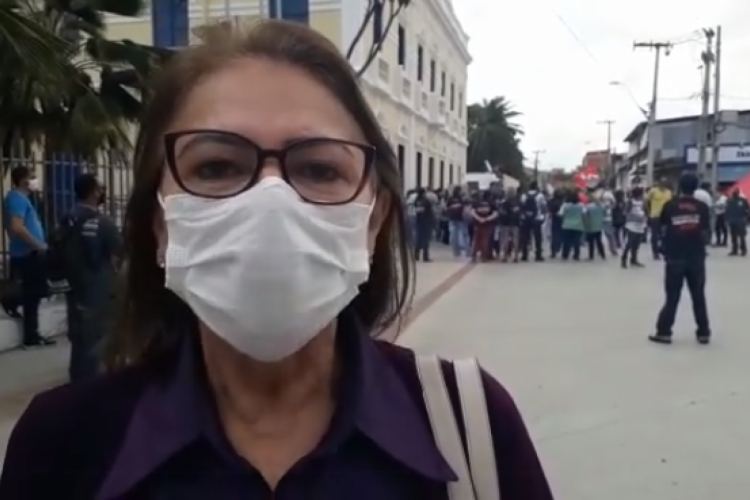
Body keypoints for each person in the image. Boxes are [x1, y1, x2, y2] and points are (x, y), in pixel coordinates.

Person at [0, 21, 553, 499]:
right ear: (161, 222)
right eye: (216, 167)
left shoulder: (471, 426)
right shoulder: (63, 445)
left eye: (319, 169)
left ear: (374, 220)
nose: (271, 202)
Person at [59, 174, 122, 381]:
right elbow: (120, 251)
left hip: (73, 285)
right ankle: (92, 383)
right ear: (94, 192)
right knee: (97, 337)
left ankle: (77, 380)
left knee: (78, 337)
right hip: (98, 288)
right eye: (100, 189)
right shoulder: (103, 223)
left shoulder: (67, 218)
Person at [651, 174, 711, 345]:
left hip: (675, 256)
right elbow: (706, 231)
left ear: (679, 187)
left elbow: (662, 227)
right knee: (698, 295)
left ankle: (664, 332)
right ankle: (703, 332)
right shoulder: (702, 207)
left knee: (672, 296)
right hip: (696, 257)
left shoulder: (670, 205)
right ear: (695, 188)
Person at [3, 166, 55, 348]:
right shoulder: (17, 199)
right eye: (32, 177)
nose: (35, 180)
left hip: (28, 252)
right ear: (23, 181)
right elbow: (17, 227)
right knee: (33, 294)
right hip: (28, 253)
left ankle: (32, 333)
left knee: (36, 293)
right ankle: (31, 335)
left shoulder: (20, 199)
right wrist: (37, 244)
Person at [518, 181, 546, 262]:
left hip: (525, 218)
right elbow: (543, 206)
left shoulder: (524, 195)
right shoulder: (540, 195)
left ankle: (524, 255)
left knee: (525, 237)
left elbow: (521, 206)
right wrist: (543, 216)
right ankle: (538, 255)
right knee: (537, 238)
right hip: (537, 218)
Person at [646, 177, 672, 260]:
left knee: (666, 235)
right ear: (659, 183)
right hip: (655, 216)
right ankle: (655, 252)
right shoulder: (653, 191)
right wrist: (648, 213)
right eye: (662, 183)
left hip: (666, 217)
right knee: (655, 235)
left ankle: (663, 249)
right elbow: (647, 202)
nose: (663, 184)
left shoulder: (669, 192)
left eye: (665, 183)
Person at [621, 187, 647, 269]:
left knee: (637, 244)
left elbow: (645, 211)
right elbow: (625, 212)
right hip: (631, 225)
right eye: (642, 194)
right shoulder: (630, 202)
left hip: (641, 225)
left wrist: (644, 218)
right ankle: (624, 259)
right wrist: (633, 217)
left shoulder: (643, 202)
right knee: (629, 243)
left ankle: (634, 259)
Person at [559, 190, 585, 261]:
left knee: (566, 241)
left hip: (567, 225)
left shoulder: (565, 205)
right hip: (578, 225)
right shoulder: (581, 205)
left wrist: (564, 220)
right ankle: (576, 255)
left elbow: (560, 214)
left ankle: (565, 255)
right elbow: (584, 214)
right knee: (577, 241)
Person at [498, 188, 521, 262]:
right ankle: (516, 256)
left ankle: (505, 256)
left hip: (506, 222)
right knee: (515, 239)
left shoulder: (504, 202)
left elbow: (501, 212)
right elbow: (520, 211)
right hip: (515, 222)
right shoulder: (518, 202)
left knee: (505, 239)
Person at [445, 186, 468, 257]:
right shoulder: (462, 198)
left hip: (453, 218)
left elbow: (446, 207)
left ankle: (456, 252)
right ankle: (466, 251)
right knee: (464, 235)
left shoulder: (450, 198)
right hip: (460, 218)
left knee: (455, 236)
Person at [412, 188, 434, 262]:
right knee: (426, 239)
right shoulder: (426, 201)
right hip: (426, 222)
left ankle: (416, 255)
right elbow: (429, 211)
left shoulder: (417, 200)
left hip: (419, 221)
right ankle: (425, 256)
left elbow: (416, 209)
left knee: (419, 239)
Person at [726, 189, 749, 256]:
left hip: (740, 220)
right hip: (733, 220)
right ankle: (735, 250)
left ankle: (743, 250)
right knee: (734, 237)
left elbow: (747, 210)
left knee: (741, 237)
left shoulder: (743, 201)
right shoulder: (729, 201)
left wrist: (746, 219)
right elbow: (727, 211)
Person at [584, 194, 606, 260]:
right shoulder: (602, 206)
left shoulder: (588, 206)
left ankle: (591, 256)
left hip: (590, 226)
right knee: (599, 241)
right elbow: (604, 214)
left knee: (591, 242)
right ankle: (603, 255)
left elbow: (585, 215)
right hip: (598, 226)